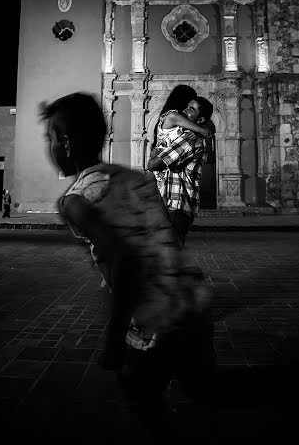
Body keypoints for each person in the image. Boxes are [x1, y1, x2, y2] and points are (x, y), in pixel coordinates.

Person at [39, 92, 217, 438]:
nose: (49, 145)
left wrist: (113, 338)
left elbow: (125, 263)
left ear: (67, 143)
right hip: (193, 303)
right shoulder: (135, 177)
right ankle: (295, 382)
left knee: (140, 397)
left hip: (155, 326)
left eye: (51, 137)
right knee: (208, 390)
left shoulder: (76, 201)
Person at [148, 96, 213, 247]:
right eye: (187, 106)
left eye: (192, 109)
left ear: (201, 119)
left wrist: (155, 156)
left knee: (168, 254)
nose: (185, 111)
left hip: (175, 204)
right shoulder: (181, 134)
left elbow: (154, 164)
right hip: (172, 203)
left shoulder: (190, 139)